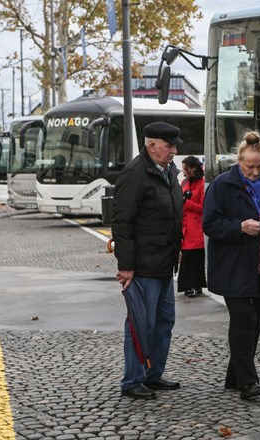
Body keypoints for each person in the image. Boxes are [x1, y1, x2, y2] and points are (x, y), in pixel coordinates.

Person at [203, 131, 260, 400]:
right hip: (234, 267)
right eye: (249, 166)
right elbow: (209, 224)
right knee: (244, 320)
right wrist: (240, 227)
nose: (255, 172)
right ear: (239, 161)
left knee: (253, 325)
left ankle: (234, 377)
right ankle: (247, 383)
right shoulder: (222, 185)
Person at [111, 121, 184, 400]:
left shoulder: (168, 171)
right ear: (152, 146)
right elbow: (122, 223)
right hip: (143, 265)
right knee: (141, 323)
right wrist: (126, 265)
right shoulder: (135, 174)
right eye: (169, 146)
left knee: (164, 321)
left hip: (164, 262)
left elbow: (172, 213)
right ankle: (132, 380)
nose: (174, 151)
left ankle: (153, 375)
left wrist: (177, 247)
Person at [177, 155, 207, 298]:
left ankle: (196, 285)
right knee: (187, 258)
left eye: (186, 168)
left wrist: (186, 202)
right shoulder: (184, 182)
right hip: (186, 225)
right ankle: (189, 285)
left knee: (195, 257)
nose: (184, 171)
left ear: (193, 168)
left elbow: (203, 207)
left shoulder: (202, 183)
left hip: (196, 227)